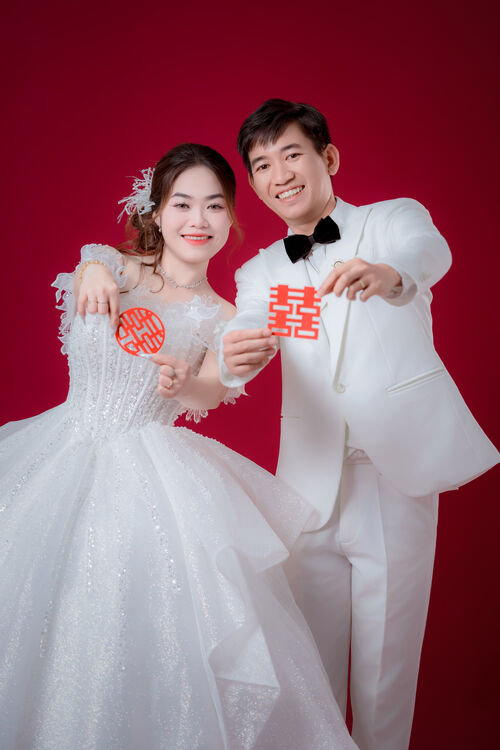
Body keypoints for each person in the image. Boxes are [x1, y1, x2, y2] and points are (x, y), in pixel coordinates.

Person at [0, 143, 358, 750]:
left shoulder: (227, 313)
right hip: (57, 455)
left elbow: (212, 391)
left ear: (231, 218)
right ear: (157, 211)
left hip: (148, 483)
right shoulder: (111, 269)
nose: (198, 220)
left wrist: (182, 382)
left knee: (140, 628)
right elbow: (93, 264)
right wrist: (92, 268)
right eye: (183, 204)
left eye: (214, 206)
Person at [218, 99, 500, 750]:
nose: (279, 174)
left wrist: (391, 274)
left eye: (292, 154)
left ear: (329, 157)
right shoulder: (261, 270)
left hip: (392, 478)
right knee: (312, 683)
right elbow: (252, 321)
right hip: (306, 495)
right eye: (262, 165)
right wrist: (235, 354)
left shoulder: (389, 221)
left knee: (384, 682)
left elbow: (428, 251)